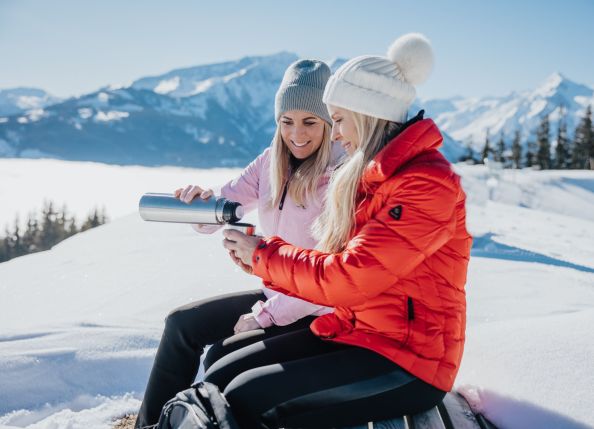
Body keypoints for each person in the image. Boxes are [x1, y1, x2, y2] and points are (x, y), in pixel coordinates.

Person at [213, 33, 473, 429]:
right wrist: (258, 260)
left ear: (367, 114)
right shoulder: (375, 176)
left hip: (409, 361)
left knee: (247, 396)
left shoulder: (424, 185)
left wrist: (263, 255)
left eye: (338, 119)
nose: (334, 134)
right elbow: (336, 264)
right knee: (222, 371)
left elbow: (349, 278)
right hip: (357, 331)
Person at [134, 59, 340, 429]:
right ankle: (153, 425)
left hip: (317, 310)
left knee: (221, 356)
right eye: (286, 121)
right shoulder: (270, 162)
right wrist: (200, 202)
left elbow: (330, 279)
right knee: (181, 325)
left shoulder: (339, 177)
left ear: (328, 123)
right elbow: (223, 206)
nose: (297, 134)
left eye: (310, 121)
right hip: (278, 295)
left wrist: (264, 316)